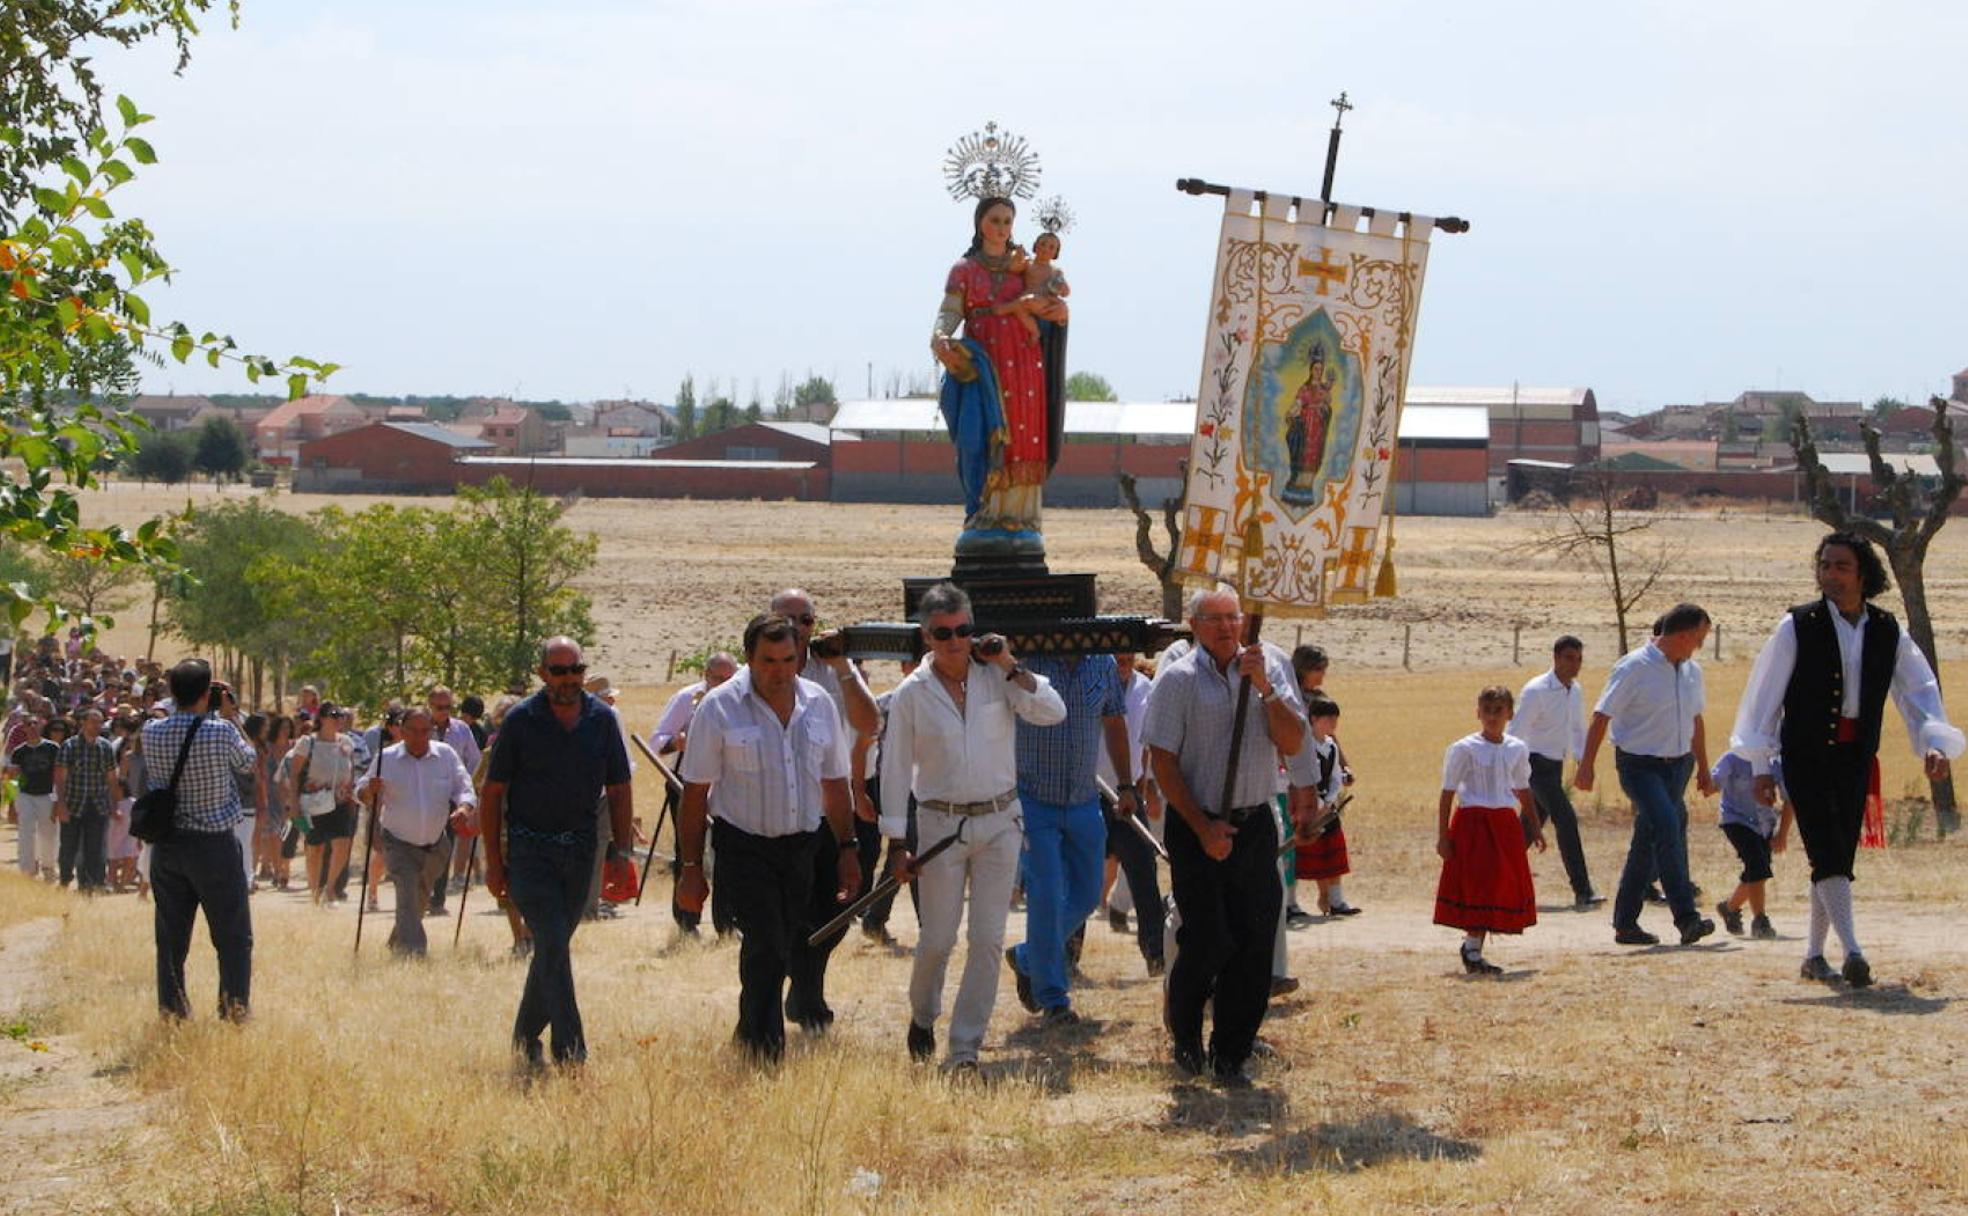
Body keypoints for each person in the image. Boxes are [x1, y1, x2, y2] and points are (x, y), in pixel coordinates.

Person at [1731, 532, 1964, 987]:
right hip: (1805, 755)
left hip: (1857, 756)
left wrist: (1932, 742)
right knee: (1828, 851)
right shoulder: (1796, 626)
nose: (1831, 575)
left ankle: (1814, 956)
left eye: (1841, 567)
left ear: (1863, 575)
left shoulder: (1886, 629)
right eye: (1825, 566)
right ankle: (1854, 951)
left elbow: (1918, 690)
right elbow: (1763, 699)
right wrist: (1761, 766)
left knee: (1834, 852)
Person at [880, 582, 1064, 1070]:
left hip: (1001, 820)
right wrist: (897, 843)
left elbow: (1052, 711)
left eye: (963, 630)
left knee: (987, 939)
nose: (955, 641)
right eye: (944, 633)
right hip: (940, 824)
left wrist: (1008, 663)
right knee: (937, 939)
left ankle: (965, 1048)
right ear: (927, 636)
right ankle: (923, 1015)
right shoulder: (910, 694)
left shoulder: (997, 677)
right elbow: (895, 768)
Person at [674, 613, 860, 1061]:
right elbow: (695, 794)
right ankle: (765, 1049)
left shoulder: (819, 704)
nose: (778, 671)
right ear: (749, 659)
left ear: (800, 656)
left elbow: (836, 783)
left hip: (801, 846)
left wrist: (848, 849)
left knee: (785, 943)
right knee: (767, 944)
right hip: (743, 847)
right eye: (768, 660)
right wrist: (691, 869)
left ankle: (748, 1031)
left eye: (788, 659)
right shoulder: (718, 708)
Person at [1142, 586, 1308, 1083]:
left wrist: (1265, 688)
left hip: (1253, 821)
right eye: (1213, 619)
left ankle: (1232, 1052)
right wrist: (1202, 826)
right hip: (1197, 824)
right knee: (1209, 938)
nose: (1226, 627)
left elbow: (1294, 739)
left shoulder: (1267, 668)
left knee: (1256, 938)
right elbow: (1164, 763)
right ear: (1193, 625)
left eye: (1232, 617)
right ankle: (1187, 1037)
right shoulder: (1177, 680)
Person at [481, 637, 634, 1071]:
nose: (568, 680)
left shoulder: (602, 720)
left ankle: (525, 1036)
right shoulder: (520, 721)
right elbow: (493, 794)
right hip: (529, 851)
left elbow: (620, 788)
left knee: (553, 946)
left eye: (576, 670)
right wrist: (495, 862)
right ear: (542, 674)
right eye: (559, 671)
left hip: (581, 850)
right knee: (550, 940)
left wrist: (620, 851)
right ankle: (572, 1052)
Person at [1003, 650, 1139, 1026]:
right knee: (1045, 894)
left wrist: (1126, 784)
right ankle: (1053, 998)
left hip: (1083, 799)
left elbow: (1114, 722)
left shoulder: (1104, 663)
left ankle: (1029, 956)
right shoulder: (1027, 661)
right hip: (1033, 799)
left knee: (1086, 893)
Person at [931, 195, 1067, 560]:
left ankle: (1021, 519)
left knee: (1023, 435)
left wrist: (1057, 310)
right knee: (977, 434)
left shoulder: (1023, 268)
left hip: (1023, 361)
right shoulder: (963, 268)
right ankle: (982, 513)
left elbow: (1049, 298)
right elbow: (950, 311)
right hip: (983, 362)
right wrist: (942, 337)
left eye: (1008, 221)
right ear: (980, 223)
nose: (1001, 228)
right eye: (995, 220)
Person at [1575, 603, 1718, 947]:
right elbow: (1601, 715)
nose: (1699, 647)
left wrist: (1703, 768)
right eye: (1698, 639)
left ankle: (1625, 923)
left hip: (1678, 766)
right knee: (1669, 826)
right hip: (1640, 767)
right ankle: (1687, 918)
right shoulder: (1634, 667)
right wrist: (1586, 765)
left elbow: (1696, 721)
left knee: (1647, 842)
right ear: (1682, 636)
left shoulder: (1691, 671)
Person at [768, 588, 879, 1030]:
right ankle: (807, 994)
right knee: (800, 903)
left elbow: (869, 725)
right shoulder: (761, 671)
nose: (797, 628)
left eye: (806, 620)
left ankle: (806, 982)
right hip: (793, 808)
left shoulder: (835, 669)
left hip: (849, 802)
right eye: (787, 618)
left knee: (848, 900)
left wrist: (844, 666)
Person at [142, 661, 257, 1020]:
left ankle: (172, 1010)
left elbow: (162, 713)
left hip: (168, 843)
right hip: (213, 845)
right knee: (232, 935)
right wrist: (231, 713)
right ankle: (233, 1007)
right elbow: (249, 761)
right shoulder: (221, 730)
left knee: (171, 938)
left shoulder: (151, 731)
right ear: (208, 694)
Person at [1434, 686, 1544, 975]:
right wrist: (1443, 836)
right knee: (1478, 882)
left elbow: (1522, 788)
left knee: (1501, 881)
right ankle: (1472, 947)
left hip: (1504, 823)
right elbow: (1447, 793)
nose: (1492, 716)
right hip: (1473, 822)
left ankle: (1475, 945)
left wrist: (1534, 825)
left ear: (1510, 713)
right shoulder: (1464, 749)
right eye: (1487, 710)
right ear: (1478, 713)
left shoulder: (1517, 748)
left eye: (1499, 710)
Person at [355, 706, 477, 957]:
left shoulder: (446, 755)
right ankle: (413, 952)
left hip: (436, 843)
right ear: (401, 730)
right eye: (413, 731)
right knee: (408, 891)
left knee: (419, 897)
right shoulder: (386, 758)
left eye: (425, 731)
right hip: (397, 841)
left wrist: (464, 808)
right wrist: (369, 791)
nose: (420, 737)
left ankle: (396, 941)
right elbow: (362, 791)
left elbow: (464, 787)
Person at [1512, 636, 1605, 909]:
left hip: (1554, 766)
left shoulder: (1575, 690)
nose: (1574, 665)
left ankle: (1489, 881)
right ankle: (1582, 889)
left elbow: (1576, 729)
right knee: (1566, 819)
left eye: (1578, 659)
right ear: (1555, 658)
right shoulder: (1536, 690)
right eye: (1568, 658)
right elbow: (1515, 732)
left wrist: (1583, 763)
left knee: (1526, 830)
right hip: (1533, 765)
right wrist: (1507, 771)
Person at [1100, 652, 1165, 974]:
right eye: (1116, 657)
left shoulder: (1145, 688)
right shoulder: (1091, 680)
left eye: (1127, 656)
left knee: (1143, 870)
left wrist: (1148, 788)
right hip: (1090, 791)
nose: (1122, 663)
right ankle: (1068, 953)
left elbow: (1149, 743)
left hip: (1129, 792)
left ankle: (1155, 951)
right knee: (1081, 877)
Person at [1285, 646, 1359, 921]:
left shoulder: (1319, 699)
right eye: (1318, 670)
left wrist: (1343, 765)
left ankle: (1333, 898)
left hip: (1324, 781)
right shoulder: (1290, 696)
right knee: (1296, 846)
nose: (1322, 676)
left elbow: (1330, 737)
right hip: (1297, 776)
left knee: (1329, 840)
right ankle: (1290, 902)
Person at [1710, 751, 1790, 940]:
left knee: (1757, 873)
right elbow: (1715, 781)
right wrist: (1708, 783)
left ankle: (1729, 908)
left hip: (1764, 824)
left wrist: (1782, 834)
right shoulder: (1731, 759)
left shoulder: (1774, 762)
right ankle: (1760, 921)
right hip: (1736, 821)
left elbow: (1789, 799)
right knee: (1757, 867)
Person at [291, 704, 358, 906]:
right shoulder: (307, 742)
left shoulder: (347, 741)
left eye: (341, 715)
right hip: (314, 802)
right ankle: (314, 892)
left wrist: (352, 795)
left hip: (341, 801)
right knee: (315, 848)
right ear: (321, 717)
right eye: (334, 715)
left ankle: (330, 889)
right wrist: (293, 804)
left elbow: (351, 770)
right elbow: (294, 774)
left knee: (342, 844)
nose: (339, 719)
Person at [426, 685, 483, 912]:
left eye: (448, 707)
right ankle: (420, 890)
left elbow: (474, 759)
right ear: (430, 706)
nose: (444, 711)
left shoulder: (461, 730)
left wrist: (464, 785)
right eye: (440, 707)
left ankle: (437, 898)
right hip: (423, 794)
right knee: (423, 845)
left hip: (450, 798)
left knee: (444, 845)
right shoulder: (420, 727)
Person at [54, 706, 120, 892]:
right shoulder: (69, 746)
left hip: (97, 805)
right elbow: (60, 778)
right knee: (69, 845)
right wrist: (61, 805)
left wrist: (114, 805)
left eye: (99, 722)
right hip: (73, 803)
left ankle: (93, 883)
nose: (96, 726)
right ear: (83, 723)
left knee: (96, 847)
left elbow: (111, 779)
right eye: (92, 722)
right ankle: (65, 879)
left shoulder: (105, 747)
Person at [649, 653, 738, 756]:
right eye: (719, 679)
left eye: (729, 680)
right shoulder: (686, 698)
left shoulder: (741, 700)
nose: (724, 685)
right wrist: (674, 744)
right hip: (688, 769)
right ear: (707, 674)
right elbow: (655, 743)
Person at [7, 716, 58, 880]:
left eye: (36, 723)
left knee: (48, 833)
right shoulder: (19, 751)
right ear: (24, 728)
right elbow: (15, 778)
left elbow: (58, 774)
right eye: (29, 724)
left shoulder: (52, 748)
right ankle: (27, 870)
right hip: (26, 794)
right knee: (26, 832)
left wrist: (59, 798)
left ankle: (48, 866)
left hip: (47, 794)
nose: (33, 727)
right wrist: (12, 802)